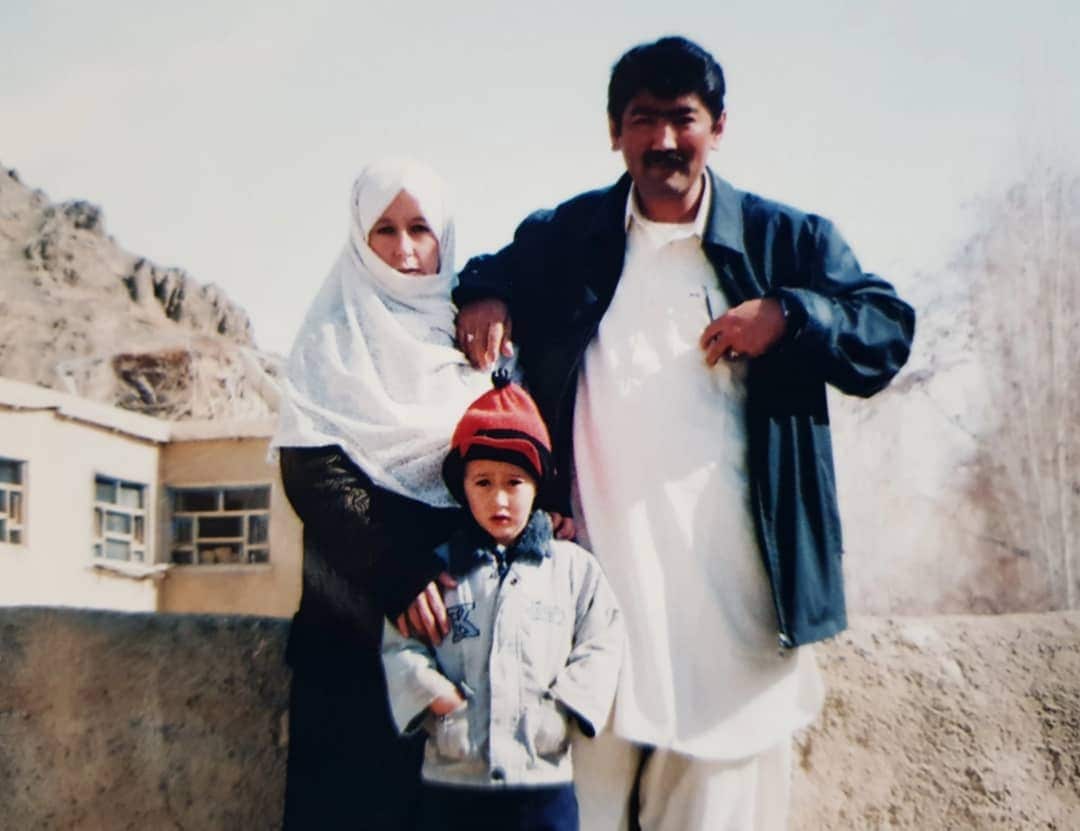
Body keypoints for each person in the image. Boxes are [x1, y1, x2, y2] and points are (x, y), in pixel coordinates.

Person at [453, 36, 916, 831]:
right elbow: (488, 270)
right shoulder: (571, 239)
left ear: (719, 125)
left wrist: (791, 314)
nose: (664, 140)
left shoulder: (785, 243)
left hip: (734, 619)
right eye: (643, 120)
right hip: (593, 618)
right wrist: (486, 295)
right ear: (614, 131)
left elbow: (885, 328)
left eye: (683, 118)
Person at [271, 158, 494, 829]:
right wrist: (395, 571)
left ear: (444, 237)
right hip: (350, 637)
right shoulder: (331, 337)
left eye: (420, 228)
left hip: (455, 641)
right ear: (358, 239)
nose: (403, 249)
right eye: (384, 230)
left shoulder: (477, 341)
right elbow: (311, 467)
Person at [381, 373, 624, 831]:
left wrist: (563, 708)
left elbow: (602, 640)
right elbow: (401, 644)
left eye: (514, 482)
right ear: (462, 487)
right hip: (453, 779)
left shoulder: (572, 569)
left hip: (541, 778)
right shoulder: (440, 570)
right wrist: (438, 698)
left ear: (536, 486)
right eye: (483, 482)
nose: (499, 499)